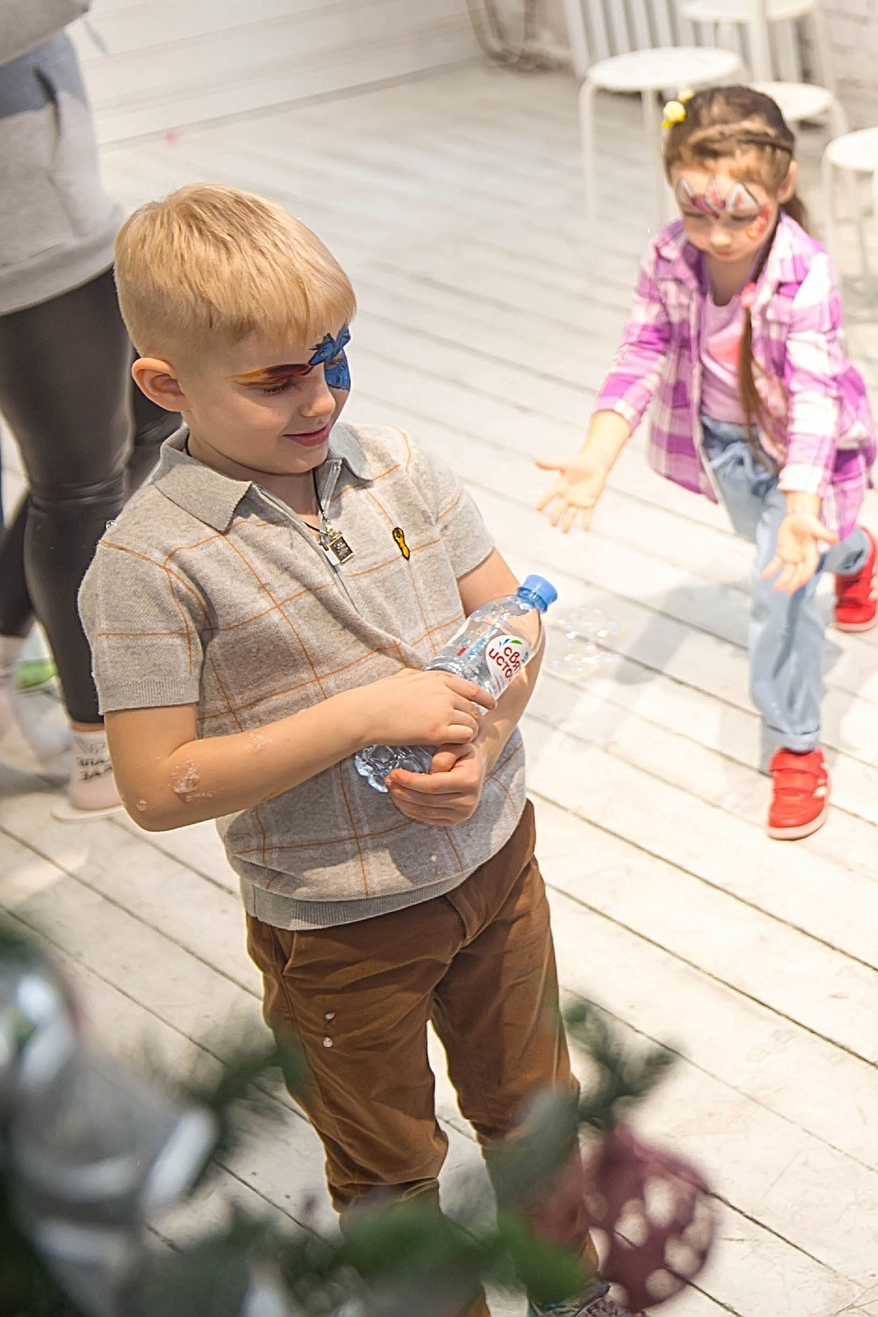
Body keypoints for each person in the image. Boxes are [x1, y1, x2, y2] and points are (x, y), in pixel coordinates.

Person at [76, 185, 612, 1317]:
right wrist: (367, 714)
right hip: (333, 926)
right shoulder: (151, 563)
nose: (321, 395)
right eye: (276, 378)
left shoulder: (402, 465)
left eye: (334, 357)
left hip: (497, 866)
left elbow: (511, 620)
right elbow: (154, 785)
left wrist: (490, 734)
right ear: (166, 385)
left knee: (535, 1111)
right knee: (386, 1167)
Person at [535, 87, 878, 843]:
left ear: (783, 186)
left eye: (739, 213)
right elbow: (642, 349)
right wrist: (597, 454)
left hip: (807, 461)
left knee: (780, 588)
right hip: (727, 449)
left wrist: (799, 504)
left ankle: (796, 744)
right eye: (697, 212)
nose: (718, 235)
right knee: (810, 552)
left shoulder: (806, 270)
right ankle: (855, 552)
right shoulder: (667, 256)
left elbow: (817, 394)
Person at [0, 0, 180, 811]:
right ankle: (96, 743)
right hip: (17, 243)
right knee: (81, 486)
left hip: (64, 207)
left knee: (139, 429)